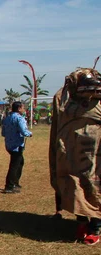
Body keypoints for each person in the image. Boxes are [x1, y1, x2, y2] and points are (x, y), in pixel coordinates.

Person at [50, 67, 101, 245]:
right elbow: (57, 126)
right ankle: (81, 221)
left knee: (95, 186)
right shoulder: (64, 100)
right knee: (74, 185)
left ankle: (95, 225)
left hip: (95, 156)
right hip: (70, 154)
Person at [1, 101, 32, 193]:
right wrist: (29, 133)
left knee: (20, 162)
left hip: (9, 145)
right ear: (19, 109)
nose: (24, 109)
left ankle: (15, 182)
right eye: (23, 108)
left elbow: (3, 133)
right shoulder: (19, 118)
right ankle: (9, 186)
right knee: (14, 165)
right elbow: (24, 131)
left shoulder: (7, 118)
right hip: (17, 146)